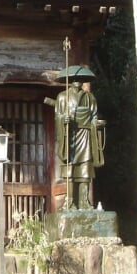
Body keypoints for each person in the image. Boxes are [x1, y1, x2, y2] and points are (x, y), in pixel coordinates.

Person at [44, 66, 99, 209]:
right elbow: (58, 116)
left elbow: (94, 116)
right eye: (74, 79)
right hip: (69, 134)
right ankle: (69, 200)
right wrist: (63, 119)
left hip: (85, 133)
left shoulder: (89, 97)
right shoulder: (62, 96)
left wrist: (96, 123)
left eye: (80, 79)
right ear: (69, 81)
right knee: (69, 165)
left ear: (83, 81)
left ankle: (84, 201)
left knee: (85, 165)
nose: (77, 81)